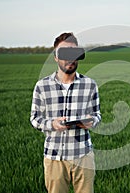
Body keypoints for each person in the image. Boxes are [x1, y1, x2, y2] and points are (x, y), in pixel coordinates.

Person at [30, 32, 101, 193]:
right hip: (54, 158)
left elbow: (97, 114)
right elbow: (34, 118)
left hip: (83, 157)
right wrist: (52, 124)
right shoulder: (42, 86)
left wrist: (91, 121)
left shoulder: (90, 85)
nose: (70, 58)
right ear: (55, 57)